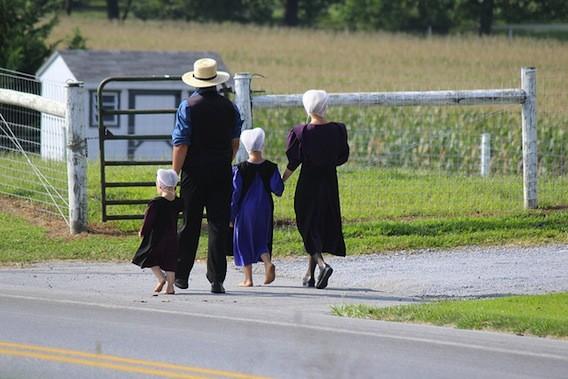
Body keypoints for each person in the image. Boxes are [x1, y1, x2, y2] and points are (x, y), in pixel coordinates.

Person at [172, 58, 242, 294]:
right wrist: (224, 160)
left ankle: (181, 275)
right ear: (216, 82)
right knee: (218, 224)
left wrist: (174, 173)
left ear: (196, 81)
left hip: (193, 171)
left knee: (190, 222)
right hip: (220, 170)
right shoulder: (230, 107)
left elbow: (181, 144)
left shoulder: (188, 107)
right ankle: (216, 278)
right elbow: (234, 143)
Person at [282, 90, 349, 289]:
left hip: (308, 183)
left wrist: (282, 180)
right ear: (325, 106)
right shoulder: (338, 130)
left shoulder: (301, 133)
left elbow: (294, 161)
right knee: (318, 224)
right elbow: (342, 157)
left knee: (307, 224)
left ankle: (321, 264)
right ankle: (309, 275)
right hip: (329, 182)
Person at [230, 128, 284, 287]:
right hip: (265, 208)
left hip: (245, 210)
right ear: (262, 144)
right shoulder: (271, 167)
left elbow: (235, 194)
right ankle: (267, 263)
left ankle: (248, 279)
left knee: (244, 239)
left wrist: (231, 215)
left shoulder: (239, 169)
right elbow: (278, 189)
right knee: (261, 238)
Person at [132, 169, 183, 295]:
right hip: (172, 236)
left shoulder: (155, 203)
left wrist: (142, 231)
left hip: (156, 237)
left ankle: (161, 278)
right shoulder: (178, 202)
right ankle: (170, 287)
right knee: (170, 262)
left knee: (149, 257)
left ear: (160, 186)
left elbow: (148, 220)